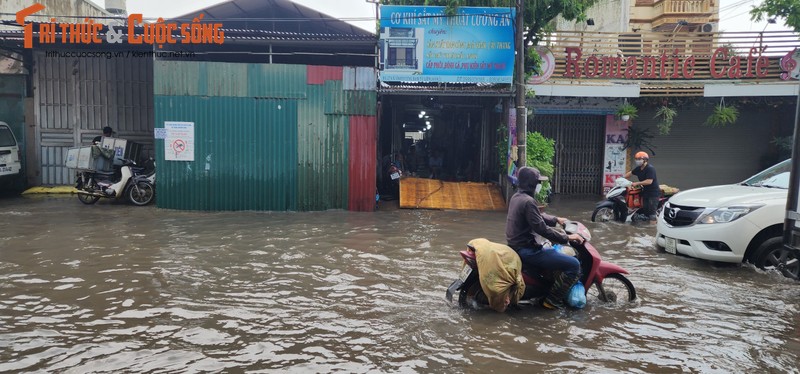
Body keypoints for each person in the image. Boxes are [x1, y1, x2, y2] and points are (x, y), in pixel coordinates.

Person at [505, 166, 584, 309]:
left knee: (552, 247)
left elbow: (538, 217)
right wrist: (568, 237)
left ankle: (546, 288)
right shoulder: (528, 201)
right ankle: (552, 300)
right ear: (532, 184)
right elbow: (541, 229)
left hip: (516, 246)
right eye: (538, 183)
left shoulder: (517, 197)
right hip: (528, 250)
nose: (539, 186)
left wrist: (556, 219)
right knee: (574, 265)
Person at [625, 151, 659, 222]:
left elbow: (649, 181)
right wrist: (621, 178)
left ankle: (651, 230)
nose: (637, 161)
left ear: (645, 160)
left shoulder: (650, 168)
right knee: (645, 210)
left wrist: (637, 183)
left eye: (639, 159)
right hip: (645, 192)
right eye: (636, 159)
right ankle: (645, 227)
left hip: (653, 193)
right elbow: (630, 173)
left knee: (651, 213)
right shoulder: (638, 168)